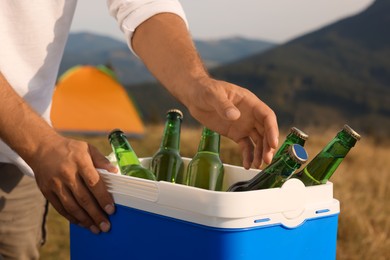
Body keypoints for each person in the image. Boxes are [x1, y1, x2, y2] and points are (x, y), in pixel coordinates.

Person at [0, 0, 279, 259]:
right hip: (31, 146)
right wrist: (38, 144)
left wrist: (196, 85)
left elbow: (143, 5)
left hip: (19, 165)